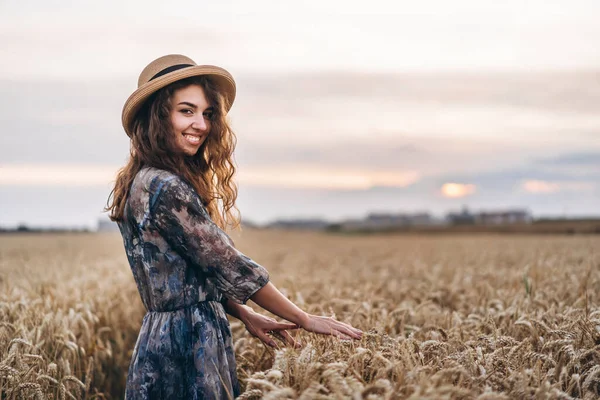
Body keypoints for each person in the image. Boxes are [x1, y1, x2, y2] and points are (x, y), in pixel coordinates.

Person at [106, 54, 363, 399]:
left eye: (207, 114)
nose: (201, 124)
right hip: (189, 343)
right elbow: (227, 263)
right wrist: (304, 318)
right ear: (157, 115)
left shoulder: (141, 181)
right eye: (186, 110)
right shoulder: (166, 187)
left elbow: (187, 272)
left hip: (160, 338)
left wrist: (244, 313)